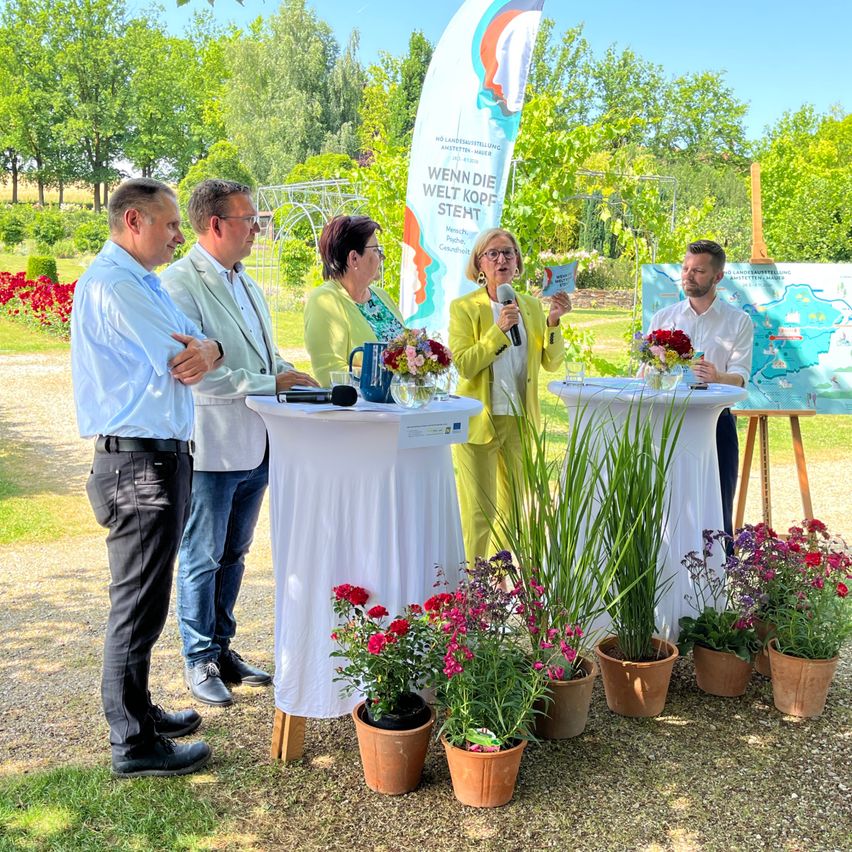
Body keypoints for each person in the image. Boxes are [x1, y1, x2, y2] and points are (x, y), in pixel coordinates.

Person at [71, 178, 223, 778]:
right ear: (133, 221)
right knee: (136, 602)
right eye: (169, 225)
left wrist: (208, 349)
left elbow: (202, 346)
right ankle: (131, 742)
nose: (178, 235)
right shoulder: (113, 284)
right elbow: (179, 357)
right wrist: (202, 352)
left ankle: (140, 712)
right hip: (138, 461)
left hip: (158, 454)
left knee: (149, 595)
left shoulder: (144, 282)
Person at [162, 179, 318, 707]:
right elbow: (196, 374)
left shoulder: (247, 283)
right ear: (215, 225)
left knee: (235, 552)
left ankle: (223, 649)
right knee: (201, 553)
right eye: (248, 220)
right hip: (212, 443)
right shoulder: (180, 283)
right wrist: (271, 383)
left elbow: (262, 356)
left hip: (259, 441)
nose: (257, 228)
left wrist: (289, 372)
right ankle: (198, 658)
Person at [449, 227, 571, 562]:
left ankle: (503, 586)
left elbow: (550, 362)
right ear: (479, 264)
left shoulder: (531, 306)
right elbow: (464, 365)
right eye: (493, 254)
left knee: (516, 513)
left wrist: (554, 323)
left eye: (508, 253)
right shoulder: (464, 308)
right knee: (479, 512)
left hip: (520, 419)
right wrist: (498, 330)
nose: (501, 259)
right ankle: (472, 590)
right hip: (480, 421)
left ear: (517, 262)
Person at [648, 239, 754, 539]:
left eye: (699, 271)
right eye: (685, 268)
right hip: (666, 422)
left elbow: (741, 378)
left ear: (717, 277)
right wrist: (654, 367)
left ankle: (719, 576)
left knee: (719, 503)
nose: (688, 276)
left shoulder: (738, 321)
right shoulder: (663, 319)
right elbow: (645, 375)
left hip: (716, 422)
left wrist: (717, 375)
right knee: (665, 505)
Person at [304, 215, 405, 386]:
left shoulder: (382, 296)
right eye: (376, 250)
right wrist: (393, 375)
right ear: (354, 258)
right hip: (360, 410)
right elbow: (330, 374)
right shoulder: (324, 301)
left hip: (396, 407)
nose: (382, 257)